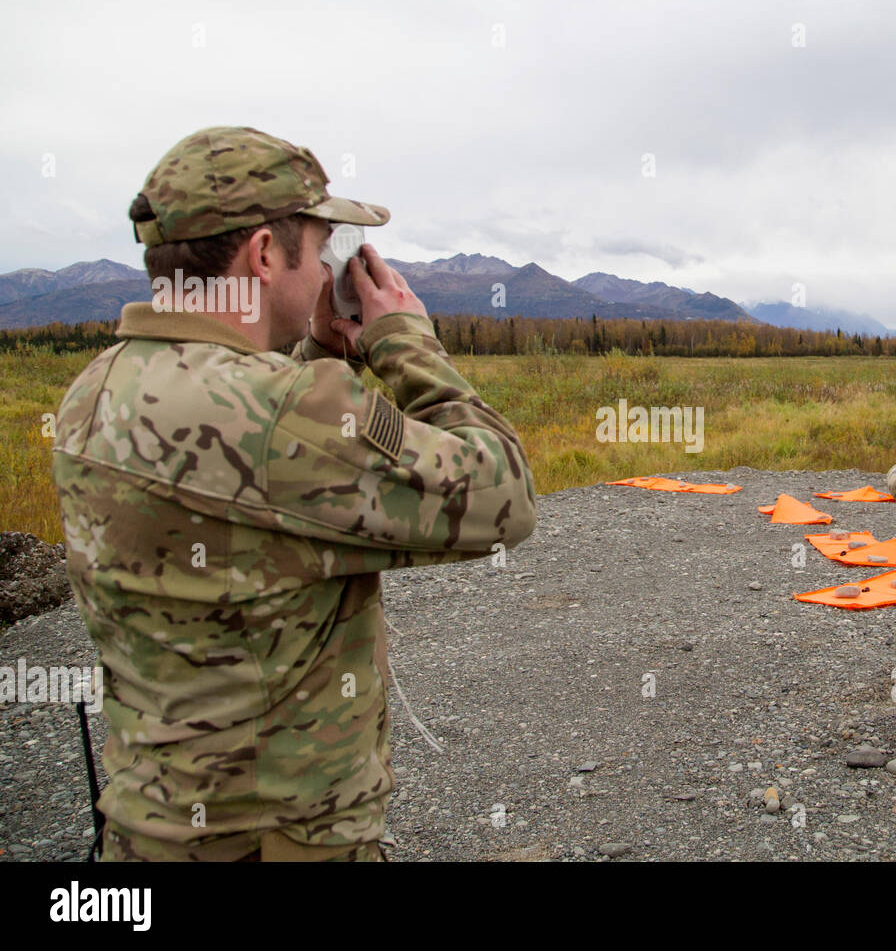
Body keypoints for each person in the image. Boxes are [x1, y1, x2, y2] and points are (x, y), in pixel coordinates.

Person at [51, 125, 537, 860]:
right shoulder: (290, 419)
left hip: (144, 832)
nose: (321, 275)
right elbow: (503, 496)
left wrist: (313, 357)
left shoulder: (95, 391)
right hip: (279, 841)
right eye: (317, 251)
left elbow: (251, 491)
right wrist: (405, 341)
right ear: (265, 254)